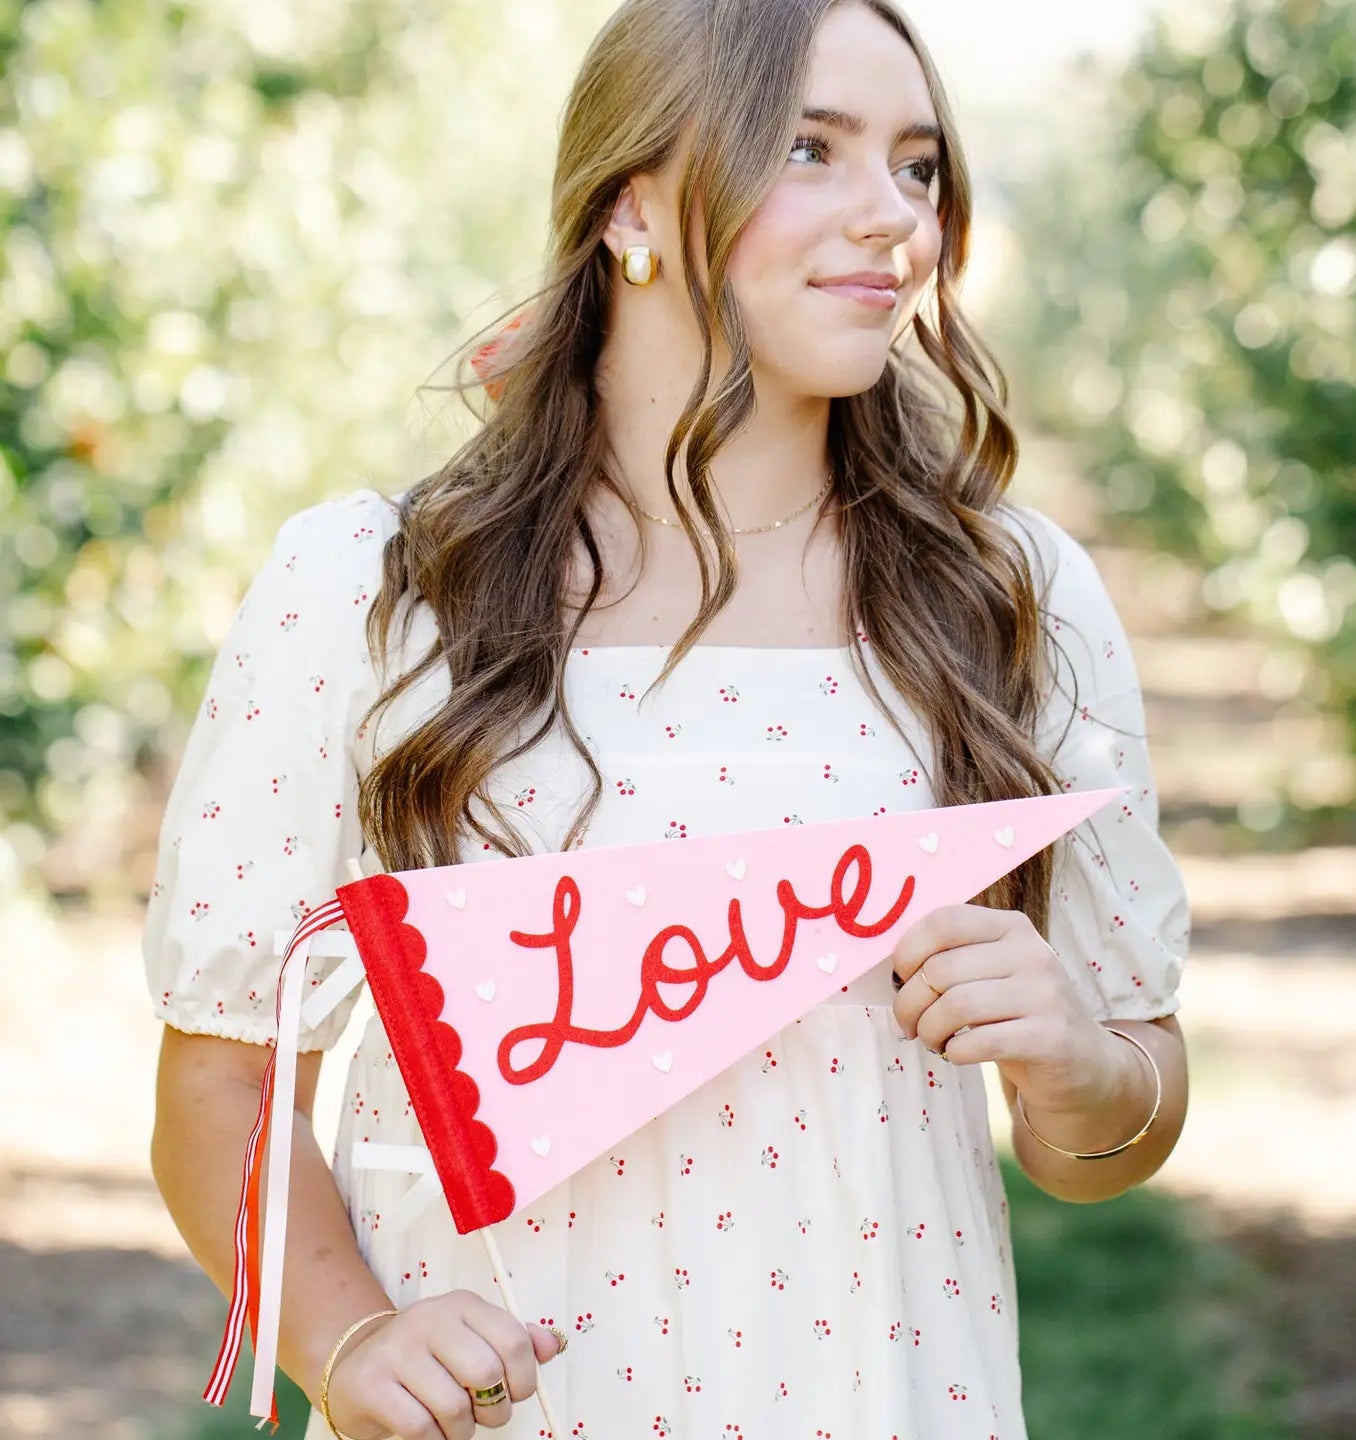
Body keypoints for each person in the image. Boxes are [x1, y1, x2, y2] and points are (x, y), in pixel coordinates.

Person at [144, 1, 1192, 1436]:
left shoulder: (1012, 595)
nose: (893, 215)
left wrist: (1076, 1064)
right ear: (631, 202)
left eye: (920, 166)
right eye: (810, 150)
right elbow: (223, 1078)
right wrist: (352, 1337)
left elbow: (1109, 1133)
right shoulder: (374, 592)